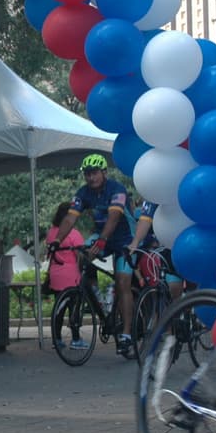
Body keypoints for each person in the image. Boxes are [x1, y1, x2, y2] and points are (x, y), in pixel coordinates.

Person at [48, 153, 137, 358]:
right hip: (101, 236)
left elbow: (114, 218)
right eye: (87, 174)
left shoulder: (117, 190)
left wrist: (103, 240)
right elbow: (70, 219)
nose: (90, 178)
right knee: (82, 256)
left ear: (104, 172)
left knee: (123, 282)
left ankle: (125, 335)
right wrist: (56, 241)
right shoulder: (83, 193)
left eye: (94, 173)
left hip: (123, 239)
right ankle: (91, 295)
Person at [130, 199, 184, 302]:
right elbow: (145, 220)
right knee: (173, 287)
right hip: (167, 246)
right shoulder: (153, 196)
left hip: (190, 241)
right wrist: (135, 242)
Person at [44, 202, 85, 294]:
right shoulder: (74, 233)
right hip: (71, 276)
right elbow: (81, 256)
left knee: (59, 305)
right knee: (73, 307)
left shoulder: (50, 233)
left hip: (54, 275)